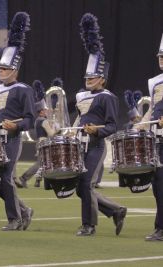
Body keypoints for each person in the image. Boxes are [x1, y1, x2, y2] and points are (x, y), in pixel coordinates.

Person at [72, 13, 126, 236]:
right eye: (87, 78)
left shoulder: (108, 97)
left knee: (86, 184)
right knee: (78, 187)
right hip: (80, 145)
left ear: (102, 78)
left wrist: (98, 130)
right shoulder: (80, 96)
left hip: (96, 146)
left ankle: (89, 225)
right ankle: (115, 211)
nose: (88, 81)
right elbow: (79, 119)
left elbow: (114, 126)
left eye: (93, 78)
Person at [0, 12, 34, 231]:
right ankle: (23, 211)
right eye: (0, 69)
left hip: (12, 139)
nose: (2, 72)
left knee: (5, 176)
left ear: (15, 70)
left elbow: (30, 119)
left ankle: (14, 219)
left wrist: (16, 126)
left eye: (5, 69)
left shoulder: (24, 90)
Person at [18, 80, 60, 188]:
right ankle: (24, 177)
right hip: (44, 142)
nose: (47, 111)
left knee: (45, 163)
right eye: (45, 110)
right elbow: (51, 134)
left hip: (40, 142)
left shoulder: (37, 120)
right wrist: (58, 129)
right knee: (41, 164)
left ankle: (39, 181)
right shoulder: (44, 121)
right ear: (41, 111)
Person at [142, 33, 163, 241]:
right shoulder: (155, 82)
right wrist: (140, 123)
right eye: (160, 56)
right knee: (158, 185)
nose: (162, 59)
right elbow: (154, 109)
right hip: (157, 139)